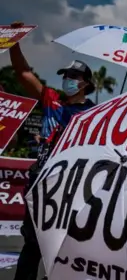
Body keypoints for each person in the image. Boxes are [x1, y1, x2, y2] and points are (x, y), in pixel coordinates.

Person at [10, 41, 96, 280]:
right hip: (39, 182)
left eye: (74, 76)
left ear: (86, 83)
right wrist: (14, 43)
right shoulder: (51, 100)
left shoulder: (94, 114)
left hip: (68, 186)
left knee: (60, 246)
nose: (68, 79)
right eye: (66, 75)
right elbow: (23, 73)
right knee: (32, 242)